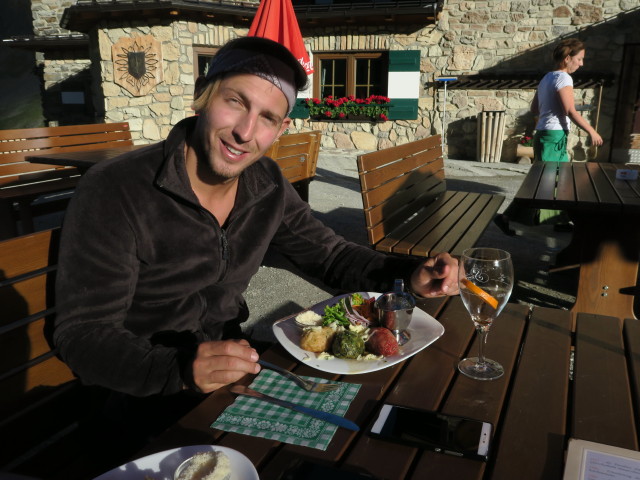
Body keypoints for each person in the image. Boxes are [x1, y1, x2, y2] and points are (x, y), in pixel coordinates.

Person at [51, 36, 459, 460]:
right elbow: (82, 334)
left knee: (373, 440)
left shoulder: (264, 184)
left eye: (267, 117)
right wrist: (178, 369)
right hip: (143, 403)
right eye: (235, 102)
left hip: (236, 377)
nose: (245, 132)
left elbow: (330, 255)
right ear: (202, 97)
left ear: (280, 130)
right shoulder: (116, 188)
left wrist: (409, 274)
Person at [494, 37, 603, 235]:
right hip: (554, 135)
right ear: (568, 58)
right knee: (544, 181)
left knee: (559, 179)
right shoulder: (564, 78)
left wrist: (552, 110)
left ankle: (560, 220)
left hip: (547, 134)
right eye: (579, 59)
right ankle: (505, 217)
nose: (582, 64)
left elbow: (535, 108)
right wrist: (592, 131)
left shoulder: (547, 78)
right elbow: (570, 110)